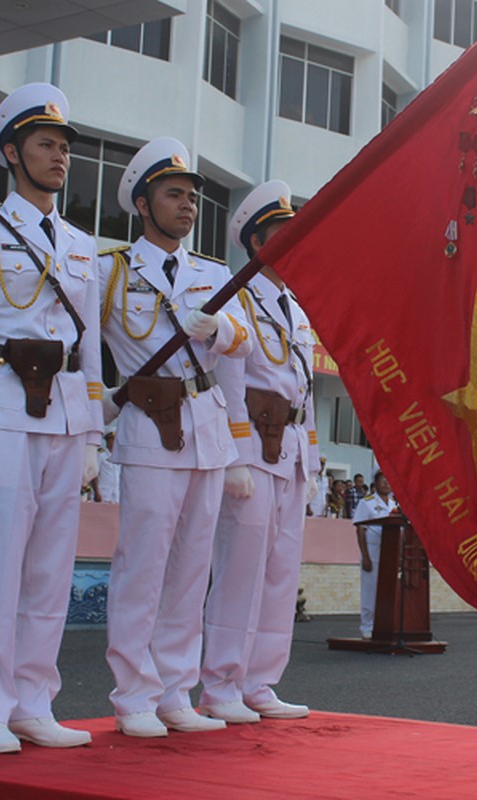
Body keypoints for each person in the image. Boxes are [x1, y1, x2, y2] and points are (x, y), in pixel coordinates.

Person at [0, 83, 103, 754]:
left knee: (48, 571)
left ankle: (33, 700)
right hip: (2, 409)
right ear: (12, 151)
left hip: (63, 416)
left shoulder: (82, 244)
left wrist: (92, 430)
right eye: (45, 145)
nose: (59, 156)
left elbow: (87, 347)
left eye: (64, 147)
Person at [97, 136, 251, 738]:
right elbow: (87, 348)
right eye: (173, 194)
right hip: (148, 425)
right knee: (144, 564)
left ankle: (174, 691)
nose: (187, 205)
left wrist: (218, 328)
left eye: (191, 196)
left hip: (207, 427)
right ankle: (133, 693)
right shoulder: (112, 270)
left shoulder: (210, 273)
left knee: (191, 568)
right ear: (142, 204)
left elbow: (241, 344)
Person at [199, 180, 320, 724]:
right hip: (256, 444)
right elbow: (229, 379)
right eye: (280, 233)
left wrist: (312, 462)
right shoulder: (236, 297)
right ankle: (221, 683)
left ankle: (260, 681)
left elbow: (306, 388)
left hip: (291, 447)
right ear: (255, 242)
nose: (292, 241)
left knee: (280, 571)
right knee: (240, 567)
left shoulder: (296, 304)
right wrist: (238, 456)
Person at [352, 471, 397, 640]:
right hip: (372, 552)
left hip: (390, 552)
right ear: (376, 483)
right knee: (370, 591)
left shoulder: (394, 504)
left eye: (389, 480)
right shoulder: (367, 503)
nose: (386, 483)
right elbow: (360, 530)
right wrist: (366, 557)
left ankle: (384, 624)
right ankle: (367, 626)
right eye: (383, 480)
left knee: (387, 592)